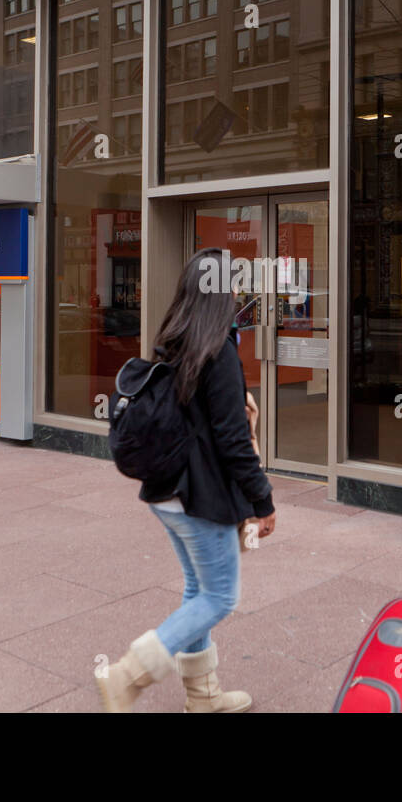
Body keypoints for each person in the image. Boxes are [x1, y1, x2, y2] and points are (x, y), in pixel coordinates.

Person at [96, 248, 276, 713]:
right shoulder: (219, 353)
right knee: (219, 596)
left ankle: (204, 698)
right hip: (199, 497)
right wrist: (263, 501)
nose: (238, 291)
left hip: (166, 493)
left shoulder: (176, 341)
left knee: (198, 589)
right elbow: (233, 441)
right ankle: (126, 677)